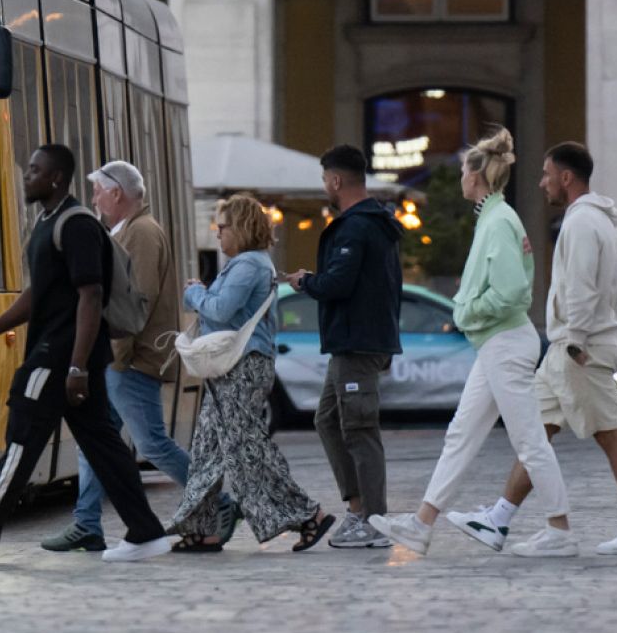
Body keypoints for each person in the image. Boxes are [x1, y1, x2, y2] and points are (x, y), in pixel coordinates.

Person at [0, 145, 171, 564]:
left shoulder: (74, 225)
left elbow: (90, 295)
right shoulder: (49, 223)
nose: (27, 177)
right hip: (71, 357)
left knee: (22, 443)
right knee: (104, 447)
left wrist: (76, 366)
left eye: (35, 171)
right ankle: (146, 533)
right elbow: (39, 294)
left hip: (58, 358)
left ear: (56, 178)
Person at [445, 142, 617, 556]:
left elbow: (581, 286)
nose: (542, 182)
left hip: (578, 348)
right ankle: (500, 518)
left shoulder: (581, 223)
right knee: (536, 431)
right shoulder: (601, 221)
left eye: (547, 174)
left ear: (566, 177)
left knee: (610, 434)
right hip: (569, 346)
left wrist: (576, 342)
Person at [370, 128, 576, 558]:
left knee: (529, 440)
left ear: (477, 175)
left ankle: (560, 529)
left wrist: (465, 311)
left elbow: (513, 292)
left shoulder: (498, 221)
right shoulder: (493, 218)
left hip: (503, 342)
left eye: (463, 169)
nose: (460, 175)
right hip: (497, 343)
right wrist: (472, 308)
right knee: (461, 434)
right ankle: (422, 524)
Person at [42, 160, 234, 552]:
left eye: (98, 190)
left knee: (153, 444)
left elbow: (134, 304)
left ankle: (221, 501)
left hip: (129, 358)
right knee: (95, 441)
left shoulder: (141, 233)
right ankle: (87, 523)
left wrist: (117, 355)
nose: (93, 198)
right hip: (119, 357)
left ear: (117, 193)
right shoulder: (129, 230)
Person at [169, 195, 335, 553]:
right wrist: (201, 295)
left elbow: (220, 310)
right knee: (208, 448)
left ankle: (310, 515)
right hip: (232, 367)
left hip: (243, 366)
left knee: (248, 448)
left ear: (241, 227)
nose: (218, 234)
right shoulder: (247, 264)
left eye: (223, 227)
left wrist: (196, 292)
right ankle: (205, 527)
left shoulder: (248, 265)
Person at [285, 145, 402, 548]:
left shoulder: (356, 226)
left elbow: (339, 283)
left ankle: (374, 521)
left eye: (324, 180)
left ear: (336, 180)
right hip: (351, 341)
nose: (324, 188)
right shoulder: (374, 222)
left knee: (360, 428)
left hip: (357, 341)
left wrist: (306, 283)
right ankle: (357, 508)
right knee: (327, 420)